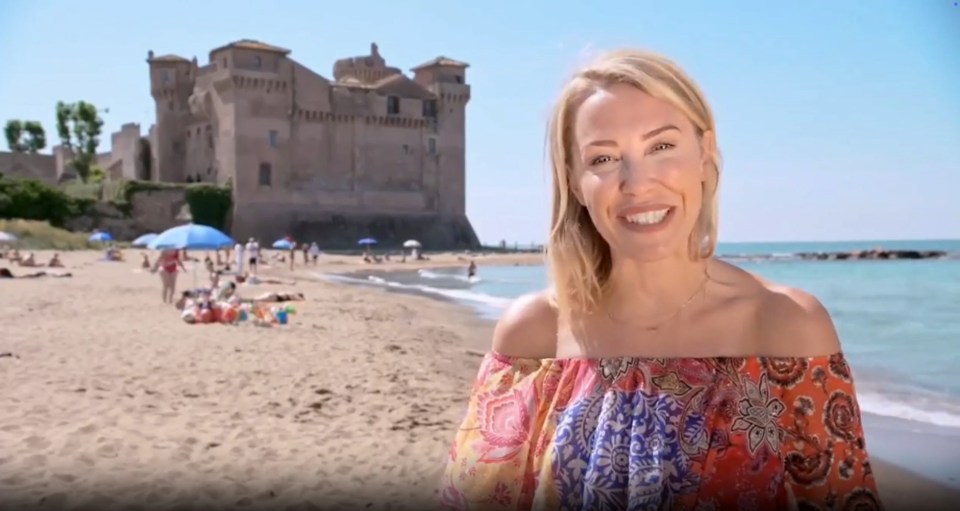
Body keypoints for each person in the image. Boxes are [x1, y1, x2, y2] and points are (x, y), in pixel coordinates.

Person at [440, 50, 881, 510]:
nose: (638, 182)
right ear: (574, 181)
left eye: (662, 147)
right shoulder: (532, 339)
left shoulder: (786, 328)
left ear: (705, 155)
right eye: (605, 158)